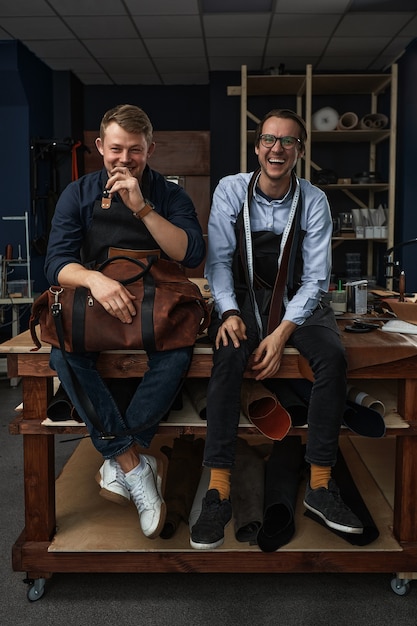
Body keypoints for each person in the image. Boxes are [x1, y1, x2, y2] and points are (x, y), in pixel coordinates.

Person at [190, 108, 363, 550]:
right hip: (245, 297)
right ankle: (219, 491)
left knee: (332, 358)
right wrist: (229, 313)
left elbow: (316, 278)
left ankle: (321, 487)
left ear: (300, 151)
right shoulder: (231, 190)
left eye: (288, 141)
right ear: (257, 147)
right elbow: (220, 263)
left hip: (299, 300)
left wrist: (282, 331)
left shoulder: (316, 200)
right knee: (228, 354)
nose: (277, 148)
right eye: (269, 139)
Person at [45, 104, 205, 539]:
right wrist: (94, 279)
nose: (125, 159)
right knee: (63, 356)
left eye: (135, 150)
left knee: (178, 353)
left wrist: (142, 209)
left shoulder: (170, 196)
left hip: (156, 309)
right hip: (99, 308)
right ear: (100, 148)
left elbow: (190, 254)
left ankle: (119, 458)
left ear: (150, 149)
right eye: (116, 149)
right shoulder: (77, 194)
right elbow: (56, 263)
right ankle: (133, 464)